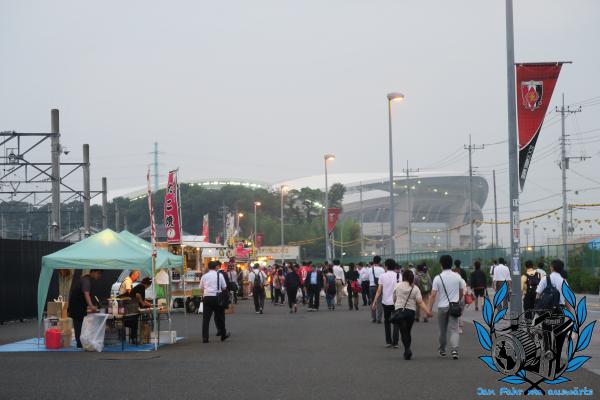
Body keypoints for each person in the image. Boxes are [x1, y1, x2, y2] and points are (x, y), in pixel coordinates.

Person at [428, 255, 466, 359]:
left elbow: (433, 295)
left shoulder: (437, 278)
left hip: (442, 307)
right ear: (451, 264)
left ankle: (442, 350)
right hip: (454, 306)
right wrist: (457, 300)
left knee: (442, 330)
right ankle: (454, 350)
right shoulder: (457, 276)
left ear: (441, 264)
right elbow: (462, 291)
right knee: (454, 329)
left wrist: (429, 310)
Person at [393, 269, 433, 360]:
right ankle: (407, 349)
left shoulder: (397, 286)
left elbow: (394, 298)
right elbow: (420, 302)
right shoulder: (415, 288)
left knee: (403, 332)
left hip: (400, 311)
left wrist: (396, 304)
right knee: (408, 331)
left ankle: (407, 350)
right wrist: (427, 312)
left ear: (404, 277)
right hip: (411, 312)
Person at [68, 269, 103, 348]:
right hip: (76, 306)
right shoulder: (86, 281)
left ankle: (80, 342)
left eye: (100, 274)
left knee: (79, 324)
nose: (99, 276)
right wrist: (91, 306)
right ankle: (79, 344)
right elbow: (86, 294)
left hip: (78, 305)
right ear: (92, 272)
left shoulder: (87, 279)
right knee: (78, 325)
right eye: (98, 273)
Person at [372, 258, 402, 347]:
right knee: (396, 321)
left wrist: (374, 302)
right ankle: (395, 342)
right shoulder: (399, 275)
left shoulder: (382, 276)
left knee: (387, 321)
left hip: (386, 302)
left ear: (386, 266)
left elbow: (379, 291)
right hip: (397, 302)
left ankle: (388, 341)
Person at [199, 261, 229, 343]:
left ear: (208, 267)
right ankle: (223, 335)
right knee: (220, 317)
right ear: (216, 267)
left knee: (206, 319)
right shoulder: (220, 275)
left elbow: (201, 288)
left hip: (207, 297)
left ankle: (205, 338)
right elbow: (224, 287)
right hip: (217, 297)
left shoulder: (204, 276)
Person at [368, 256, 385, 323]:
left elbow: (366, 278)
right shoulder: (382, 269)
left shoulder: (369, 269)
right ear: (379, 261)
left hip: (371, 287)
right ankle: (379, 318)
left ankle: (373, 318)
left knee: (373, 302)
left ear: (373, 261)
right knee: (379, 302)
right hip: (379, 287)